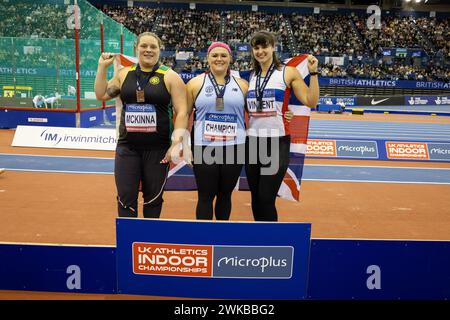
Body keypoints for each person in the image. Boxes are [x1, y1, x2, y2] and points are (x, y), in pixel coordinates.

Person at [94, 32, 191, 219]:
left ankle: (148, 241)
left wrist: (176, 143)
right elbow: (101, 94)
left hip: (158, 151)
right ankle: (129, 242)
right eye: (144, 46)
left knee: (153, 200)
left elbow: (182, 112)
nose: (148, 50)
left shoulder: (170, 77)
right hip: (127, 148)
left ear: (159, 50)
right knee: (125, 199)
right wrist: (101, 68)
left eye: (153, 47)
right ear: (136, 48)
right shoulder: (124, 74)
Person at [245, 31, 319, 221]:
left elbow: (311, 101)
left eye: (265, 47)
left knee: (266, 197)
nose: (261, 51)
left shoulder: (287, 72)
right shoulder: (252, 76)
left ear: (273, 47)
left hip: (277, 143)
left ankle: (272, 242)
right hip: (253, 143)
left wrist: (313, 73)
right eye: (257, 48)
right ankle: (260, 238)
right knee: (255, 197)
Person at [186, 42, 248, 220]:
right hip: (204, 147)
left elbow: (256, 112)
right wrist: (184, 145)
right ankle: (204, 238)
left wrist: (285, 113)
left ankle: (221, 235)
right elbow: (184, 115)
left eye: (223, 55)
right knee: (205, 196)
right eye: (215, 55)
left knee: (225, 195)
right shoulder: (194, 83)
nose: (219, 59)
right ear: (208, 58)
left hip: (234, 147)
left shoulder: (242, 85)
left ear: (230, 59)